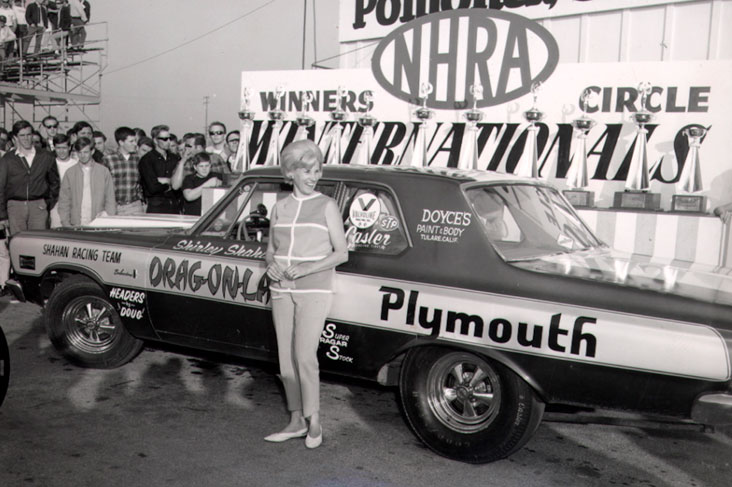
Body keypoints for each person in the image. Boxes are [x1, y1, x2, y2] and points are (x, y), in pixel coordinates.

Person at [263, 139, 348, 449]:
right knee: (286, 361)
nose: (313, 176)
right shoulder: (280, 207)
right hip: (280, 289)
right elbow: (271, 250)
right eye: (306, 170)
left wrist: (307, 268)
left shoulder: (327, 205)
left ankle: (314, 421)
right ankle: (296, 419)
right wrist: (271, 265)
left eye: (317, 170)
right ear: (291, 172)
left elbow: (341, 253)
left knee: (304, 356)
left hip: (314, 287)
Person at [0, 119, 59, 236]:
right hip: (15, 207)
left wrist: (46, 203)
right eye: (22, 135)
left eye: (28, 135)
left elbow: (55, 183)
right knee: (17, 243)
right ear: (15, 138)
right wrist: (2, 215)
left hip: (38, 206)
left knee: (38, 242)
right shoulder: (8, 159)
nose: (26, 138)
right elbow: (0, 187)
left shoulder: (45, 156)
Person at [57, 136, 115, 226]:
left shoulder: (103, 171)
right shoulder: (70, 173)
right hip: (76, 222)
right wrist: (65, 222)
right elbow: (64, 200)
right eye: (79, 152)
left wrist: (108, 219)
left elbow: (110, 198)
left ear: (92, 151)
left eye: (86, 152)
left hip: (98, 222)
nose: (82, 155)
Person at [102, 126, 143, 216]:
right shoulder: (108, 159)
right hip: (116, 207)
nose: (135, 144)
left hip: (135, 206)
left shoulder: (138, 159)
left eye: (135, 141)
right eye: (131, 141)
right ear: (121, 142)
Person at [139, 124, 179, 214]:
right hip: (156, 207)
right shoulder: (147, 159)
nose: (168, 141)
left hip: (174, 206)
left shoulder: (174, 158)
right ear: (155, 140)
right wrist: (170, 183)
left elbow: (180, 184)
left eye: (169, 138)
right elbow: (153, 187)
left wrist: (164, 181)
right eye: (164, 139)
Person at [49, 132, 76, 227]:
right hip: (56, 204)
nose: (61, 151)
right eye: (58, 148)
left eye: (64, 148)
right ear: (54, 148)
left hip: (73, 204)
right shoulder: (49, 164)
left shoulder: (76, 164)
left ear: (69, 147)